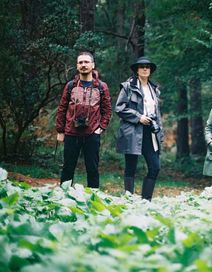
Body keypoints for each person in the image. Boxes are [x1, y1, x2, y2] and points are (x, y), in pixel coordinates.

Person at [56, 51, 112, 188]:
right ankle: (63, 198)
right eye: (80, 62)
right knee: (68, 168)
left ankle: (93, 199)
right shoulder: (71, 86)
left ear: (93, 65)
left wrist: (101, 128)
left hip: (92, 134)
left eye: (86, 62)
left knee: (92, 169)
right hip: (71, 133)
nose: (83, 65)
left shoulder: (101, 86)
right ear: (77, 66)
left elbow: (107, 110)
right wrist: (60, 130)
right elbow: (62, 108)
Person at [115, 56, 164, 200]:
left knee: (155, 167)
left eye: (147, 67)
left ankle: (146, 201)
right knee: (131, 167)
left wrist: (160, 131)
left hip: (150, 132)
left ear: (150, 70)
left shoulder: (154, 89)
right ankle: (129, 200)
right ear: (137, 70)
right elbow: (119, 108)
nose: (144, 69)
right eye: (141, 66)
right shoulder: (128, 87)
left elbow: (157, 113)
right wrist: (138, 117)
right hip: (133, 131)